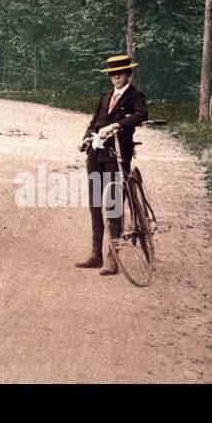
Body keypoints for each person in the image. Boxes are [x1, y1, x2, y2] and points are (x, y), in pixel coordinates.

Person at [76, 54, 148, 275]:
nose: (116, 78)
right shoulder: (106, 95)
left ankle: (112, 257)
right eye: (112, 74)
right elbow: (95, 121)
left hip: (117, 155)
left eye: (120, 74)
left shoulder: (135, 96)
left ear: (129, 74)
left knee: (113, 205)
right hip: (96, 155)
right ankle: (95, 253)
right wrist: (86, 138)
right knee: (95, 204)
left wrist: (116, 125)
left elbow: (141, 115)